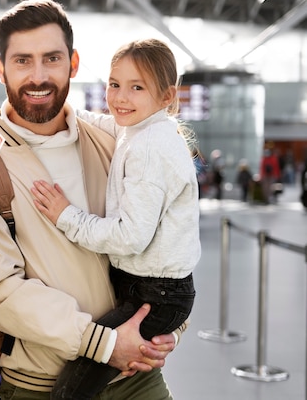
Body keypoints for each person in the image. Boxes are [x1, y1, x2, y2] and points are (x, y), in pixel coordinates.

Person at [0, 0, 182, 400]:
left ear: (73, 64)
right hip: (41, 384)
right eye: (22, 61)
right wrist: (104, 344)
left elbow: (169, 231)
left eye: (51, 59)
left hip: (135, 377)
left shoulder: (112, 142)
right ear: (1, 68)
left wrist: (169, 326)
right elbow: (0, 293)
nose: (38, 77)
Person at [29, 38, 200, 399]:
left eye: (136, 87)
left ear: (167, 96)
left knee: (71, 390)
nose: (120, 97)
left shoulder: (151, 148)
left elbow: (130, 237)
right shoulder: (143, 128)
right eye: (114, 84)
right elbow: (110, 125)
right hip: (152, 289)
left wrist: (66, 216)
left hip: (154, 294)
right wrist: (65, 110)